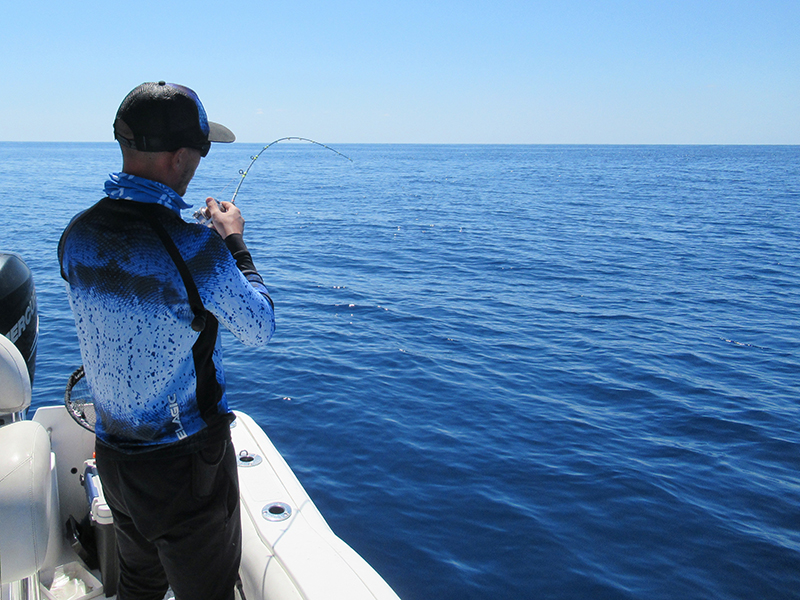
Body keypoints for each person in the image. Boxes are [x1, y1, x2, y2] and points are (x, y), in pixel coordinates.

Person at [58, 81, 275, 600]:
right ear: (179, 157)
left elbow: (140, 276)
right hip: (184, 468)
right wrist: (232, 242)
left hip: (114, 456)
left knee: (138, 582)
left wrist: (193, 241)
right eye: (200, 152)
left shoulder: (77, 234)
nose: (200, 163)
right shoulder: (196, 248)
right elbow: (259, 326)